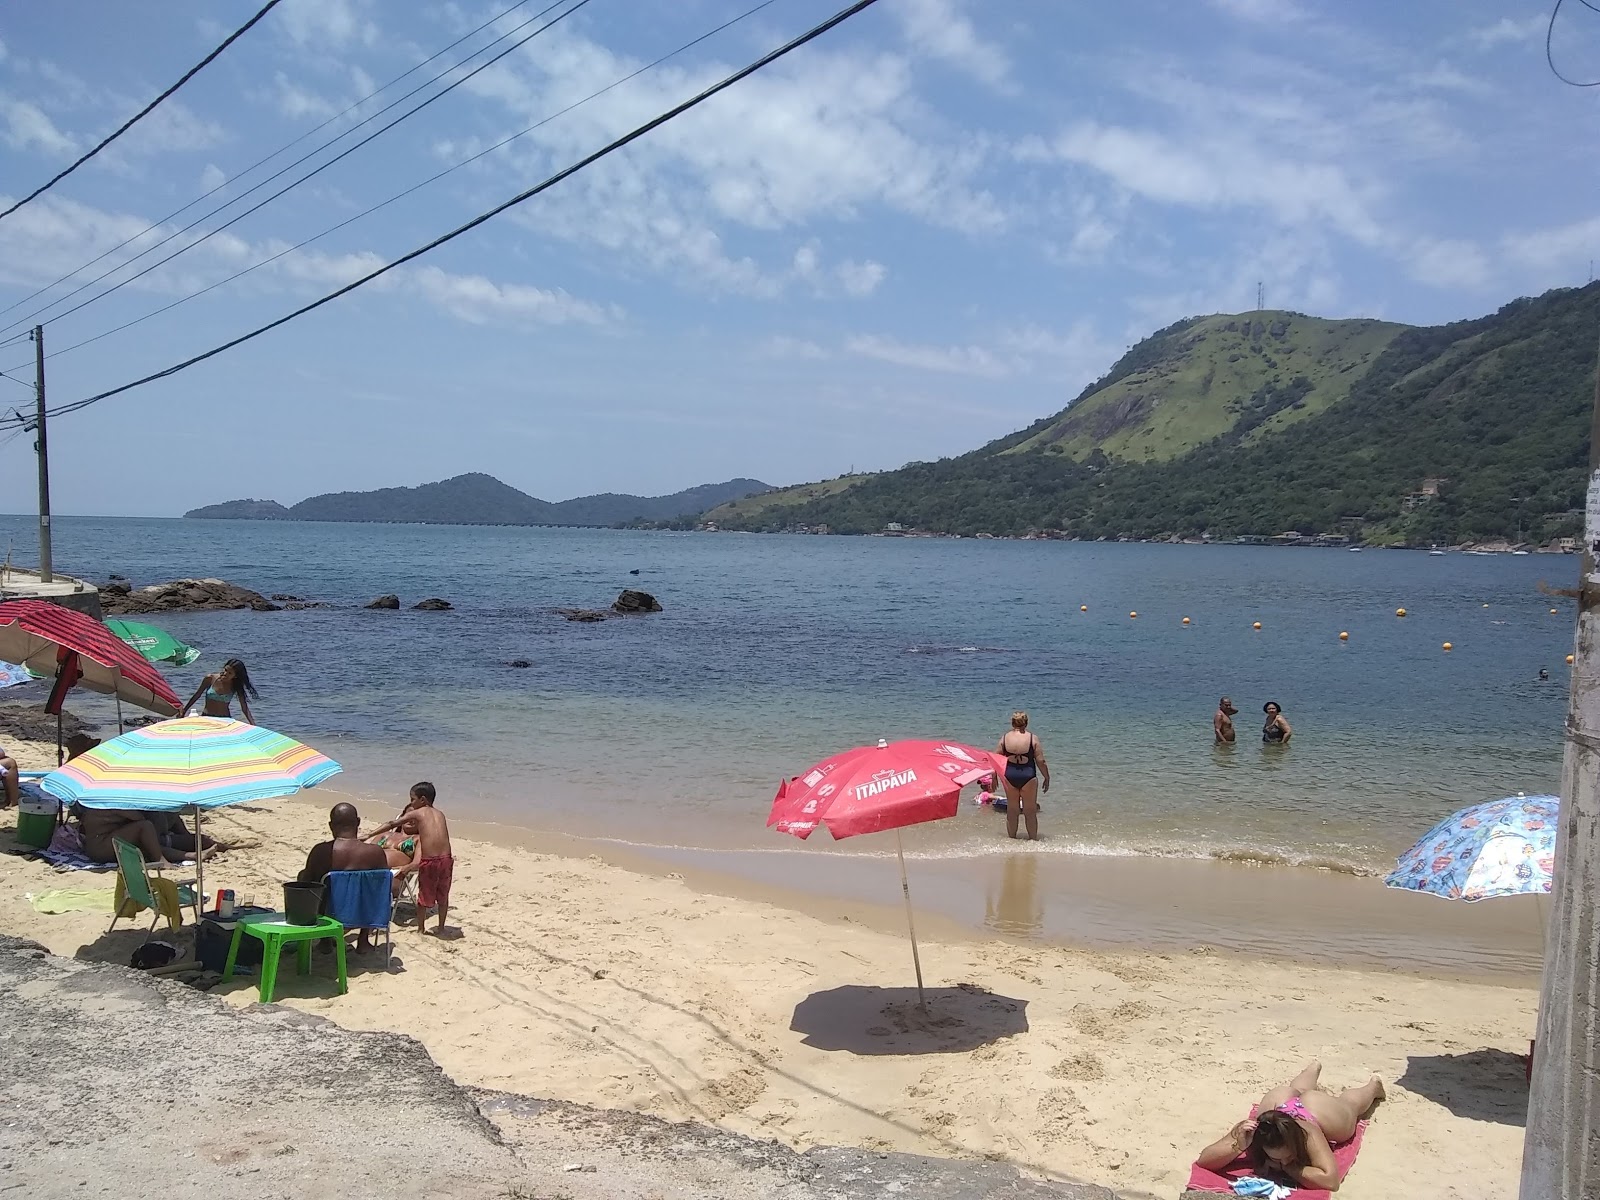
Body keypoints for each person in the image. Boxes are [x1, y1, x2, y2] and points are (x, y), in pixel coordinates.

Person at [1196, 1062, 1385, 1192]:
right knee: (1297, 1091)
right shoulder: (1252, 1130)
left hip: (1316, 1112)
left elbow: (1330, 1180)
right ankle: (1313, 1068)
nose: (1285, 1160)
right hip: (1279, 1103)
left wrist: (1289, 1168)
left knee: (1349, 1107)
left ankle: (1374, 1086)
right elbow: (1204, 1161)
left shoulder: (1308, 1132)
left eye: (1288, 1155)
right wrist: (1237, 1146)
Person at [299, 802, 391, 952]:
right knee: (371, 887)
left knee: (309, 879)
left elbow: (307, 883)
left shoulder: (322, 851)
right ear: (358, 822)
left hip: (331, 912)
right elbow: (380, 890)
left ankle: (325, 940)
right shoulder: (376, 852)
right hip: (362, 913)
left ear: (331, 825)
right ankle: (363, 940)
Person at [372, 782, 453, 934]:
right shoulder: (439, 814)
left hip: (392, 875)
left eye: (412, 800)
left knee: (433, 896)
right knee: (442, 895)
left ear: (422, 800)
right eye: (406, 815)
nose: (410, 818)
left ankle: (422, 929)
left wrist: (405, 869)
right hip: (372, 870)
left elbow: (417, 861)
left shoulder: (418, 838)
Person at [996, 712, 1049, 841]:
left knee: (1012, 810)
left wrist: (994, 777)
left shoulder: (1004, 738)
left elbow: (995, 759)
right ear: (1026, 723)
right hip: (1028, 775)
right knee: (1030, 812)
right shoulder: (1032, 738)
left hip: (1010, 775)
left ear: (1012, 723)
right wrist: (1047, 777)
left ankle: (1012, 841)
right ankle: (1033, 841)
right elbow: (1041, 761)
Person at [183, 658, 258, 724]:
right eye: (225, 670)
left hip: (225, 720)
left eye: (229, 673)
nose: (225, 674)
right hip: (207, 717)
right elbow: (197, 695)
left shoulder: (236, 686)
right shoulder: (210, 678)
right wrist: (184, 711)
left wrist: (253, 724)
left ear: (235, 676)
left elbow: (244, 708)